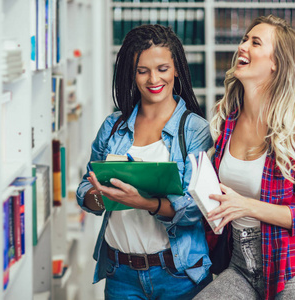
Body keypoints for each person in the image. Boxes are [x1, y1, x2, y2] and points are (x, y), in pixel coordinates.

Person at [194, 15, 295, 300]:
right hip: (240, 264)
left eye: (255, 42)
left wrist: (247, 207)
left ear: (276, 63)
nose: (243, 47)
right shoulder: (226, 121)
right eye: (245, 40)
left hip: (291, 269)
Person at [76, 24, 213, 299]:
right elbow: (84, 192)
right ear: (132, 73)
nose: (154, 79)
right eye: (143, 71)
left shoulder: (195, 130)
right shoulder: (113, 126)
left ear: (176, 69)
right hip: (121, 275)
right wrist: (99, 195)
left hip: (178, 274)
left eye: (162, 68)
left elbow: (197, 209)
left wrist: (143, 202)